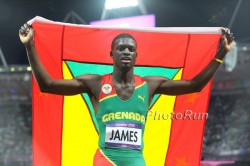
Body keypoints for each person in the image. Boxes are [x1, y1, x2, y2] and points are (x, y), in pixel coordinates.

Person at [19, 23, 234, 166]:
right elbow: (47, 85)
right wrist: (30, 45)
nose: (126, 52)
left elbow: (194, 85)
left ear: (137, 55)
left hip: (135, 160)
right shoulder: (95, 83)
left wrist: (221, 53)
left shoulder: (149, 85)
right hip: (105, 159)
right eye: (121, 48)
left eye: (131, 49)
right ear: (112, 53)